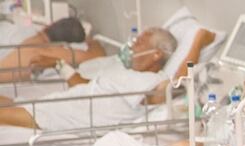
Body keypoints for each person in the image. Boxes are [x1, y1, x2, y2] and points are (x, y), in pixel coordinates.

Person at [0, 26, 214, 129]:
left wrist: (198, 40)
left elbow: (175, 86)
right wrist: (59, 65)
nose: (132, 46)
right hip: (55, 105)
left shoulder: (149, 81)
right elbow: (85, 85)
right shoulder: (125, 74)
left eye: (140, 42)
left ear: (156, 54)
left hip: (57, 117)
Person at [0, 17, 104, 82]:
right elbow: (96, 55)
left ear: (48, 26)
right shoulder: (47, 51)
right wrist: (91, 40)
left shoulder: (33, 39)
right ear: (63, 45)